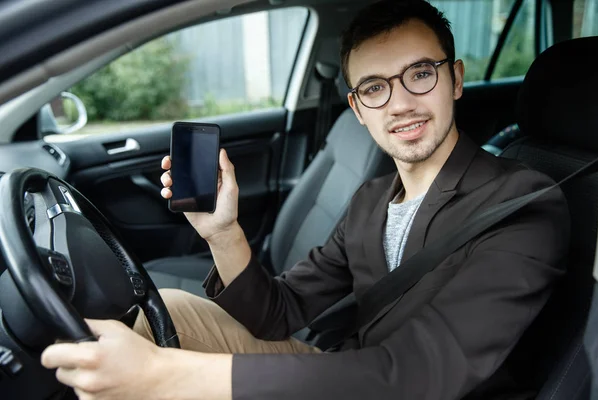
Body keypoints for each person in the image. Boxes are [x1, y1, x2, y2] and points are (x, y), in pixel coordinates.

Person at [41, 0, 570, 399]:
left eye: (420, 74)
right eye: (374, 88)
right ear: (358, 109)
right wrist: (222, 232)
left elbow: (416, 375)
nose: (401, 103)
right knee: (171, 312)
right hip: (350, 371)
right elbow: (279, 313)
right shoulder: (369, 201)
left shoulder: (522, 203)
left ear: (454, 79)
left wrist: (164, 376)